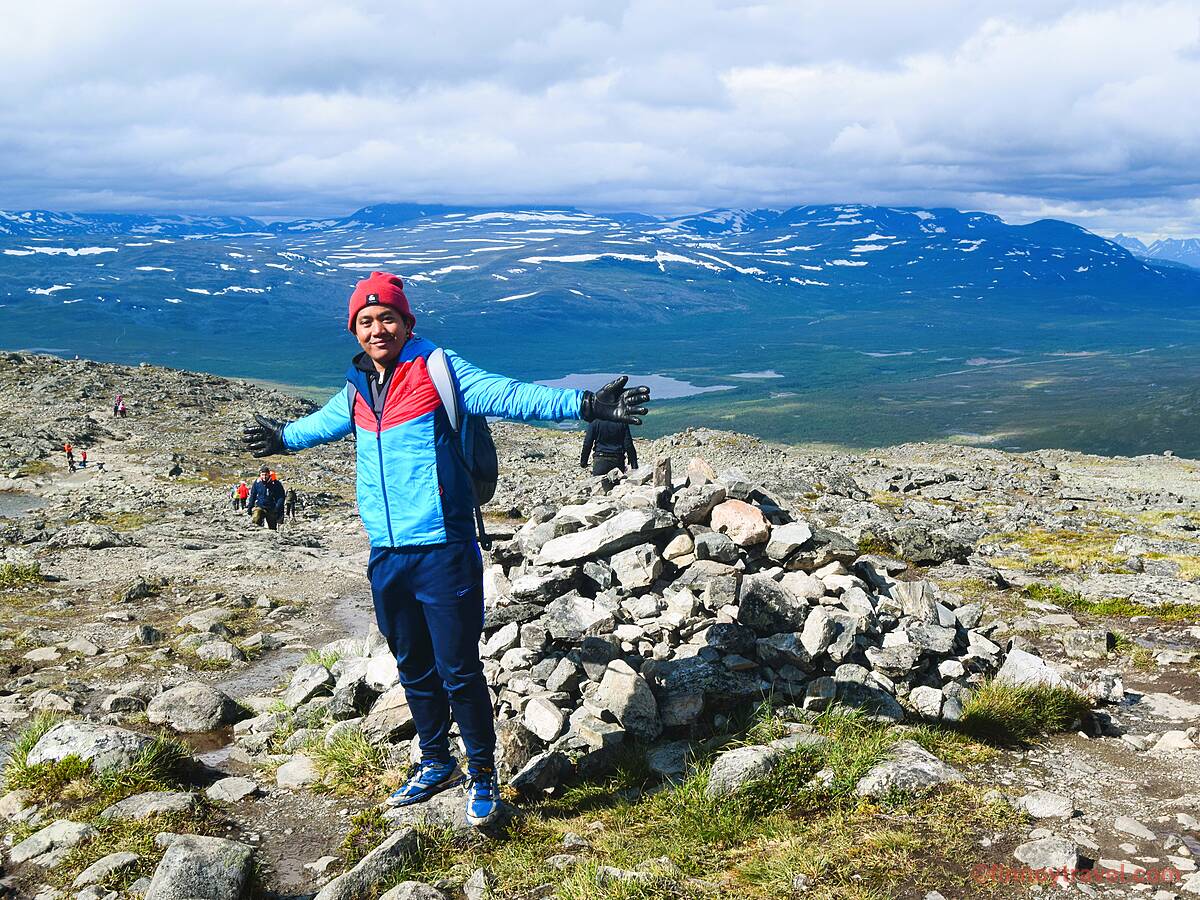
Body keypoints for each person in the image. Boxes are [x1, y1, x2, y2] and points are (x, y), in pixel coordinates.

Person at [241, 271, 648, 827]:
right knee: (412, 664)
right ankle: (435, 762)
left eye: (388, 318)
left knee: (458, 669)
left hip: (443, 547)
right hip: (387, 553)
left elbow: (510, 394)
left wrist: (584, 404)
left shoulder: (439, 371)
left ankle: (484, 775)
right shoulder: (359, 387)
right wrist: (282, 437)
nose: (377, 328)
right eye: (365, 321)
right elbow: (324, 424)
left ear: (408, 323)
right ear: (354, 331)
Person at [247, 465, 285, 530]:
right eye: (262, 475)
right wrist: (250, 507)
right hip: (260, 506)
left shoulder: (276, 484)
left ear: (269, 474)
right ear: (260, 475)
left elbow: (281, 496)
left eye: (266, 475)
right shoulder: (257, 483)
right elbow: (253, 495)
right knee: (256, 518)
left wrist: (277, 507)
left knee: (272, 528)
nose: (264, 477)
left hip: (271, 508)